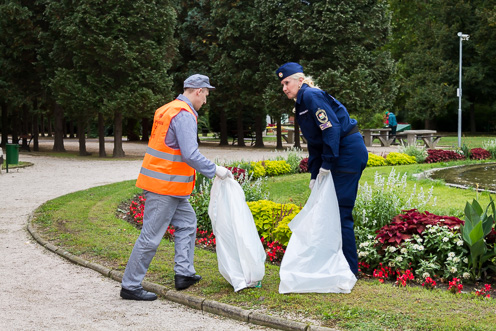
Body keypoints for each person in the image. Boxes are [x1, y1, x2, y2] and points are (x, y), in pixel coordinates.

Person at [120, 74, 232, 301]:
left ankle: (184, 273)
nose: (206, 101)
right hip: (165, 186)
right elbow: (189, 154)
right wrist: (215, 170)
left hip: (168, 185)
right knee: (151, 236)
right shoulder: (184, 114)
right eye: (206, 95)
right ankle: (130, 285)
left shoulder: (167, 109)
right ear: (198, 91)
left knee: (188, 223)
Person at [275, 62, 368, 276]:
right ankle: (337, 262)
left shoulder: (311, 96)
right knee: (330, 210)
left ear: (300, 80)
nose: (284, 88)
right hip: (340, 152)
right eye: (282, 84)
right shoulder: (301, 103)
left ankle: (349, 270)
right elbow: (315, 142)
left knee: (341, 211)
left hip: (347, 153)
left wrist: (327, 163)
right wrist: (315, 173)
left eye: (287, 82)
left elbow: (331, 129)